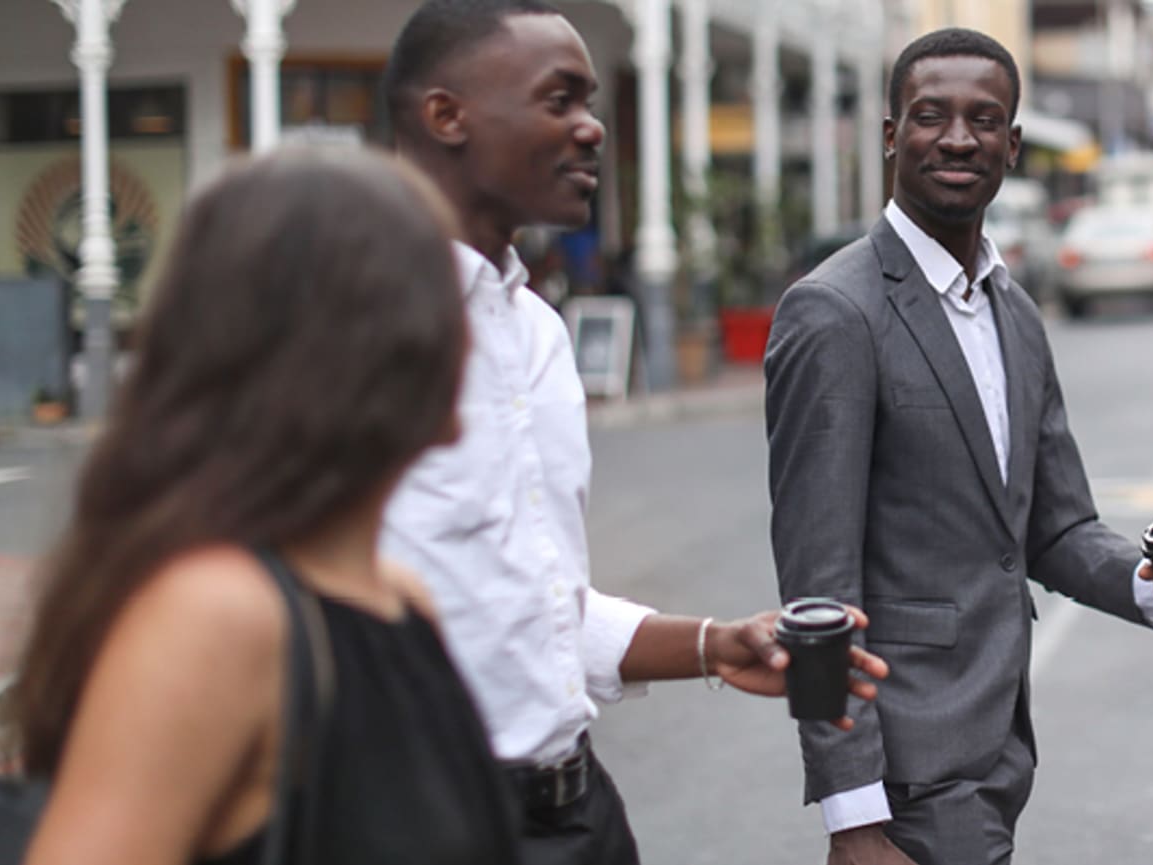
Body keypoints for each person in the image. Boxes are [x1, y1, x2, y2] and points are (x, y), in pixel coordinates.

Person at [378, 3, 887, 864]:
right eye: (558, 99)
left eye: (592, 99)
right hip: (417, 822)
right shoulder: (342, 325)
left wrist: (713, 644)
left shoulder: (536, 333)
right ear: (446, 115)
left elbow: (531, 604)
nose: (593, 127)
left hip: (578, 812)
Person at [764, 28, 1153, 865]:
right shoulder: (834, 312)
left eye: (984, 119)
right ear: (891, 135)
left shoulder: (1015, 312)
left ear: (1012, 144)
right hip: (908, 768)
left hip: (998, 749)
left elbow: (1053, 528)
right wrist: (852, 815)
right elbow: (818, 587)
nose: (958, 137)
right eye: (930, 116)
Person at [9, 148, 525, 864]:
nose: (467, 331)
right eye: (439, 297)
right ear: (374, 346)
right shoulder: (221, 614)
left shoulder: (397, 598)